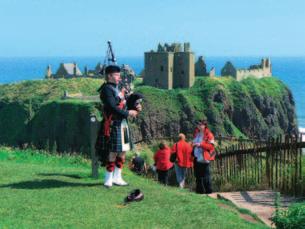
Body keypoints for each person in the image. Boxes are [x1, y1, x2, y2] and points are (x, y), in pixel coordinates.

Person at [95, 65, 141, 188]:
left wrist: (135, 107)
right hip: (113, 123)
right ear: (109, 76)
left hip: (123, 123)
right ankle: (108, 178)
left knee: (123, 150)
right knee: (113, 151)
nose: (119, 77)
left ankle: (118, 177)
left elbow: (126, 102)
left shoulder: (118, 87)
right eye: (116, 75)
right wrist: (128, 113)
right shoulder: (106, 90)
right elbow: (111, 107)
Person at [192, 120, 216, 194]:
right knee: (198, 175)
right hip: (196, 157)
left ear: (205, 125)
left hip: (205, 157)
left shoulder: (209, 135)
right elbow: (194, 143)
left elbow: (211, 147)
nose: (198, 126)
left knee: (206, 175)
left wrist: (200, 144)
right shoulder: (196, 133)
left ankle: (208, 191)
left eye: (200, 124)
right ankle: (200, 191)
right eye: (198, 124)